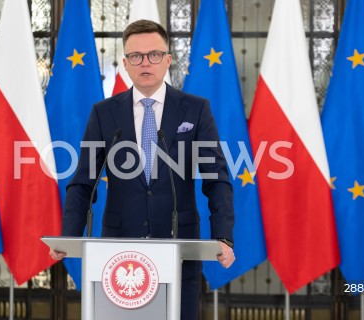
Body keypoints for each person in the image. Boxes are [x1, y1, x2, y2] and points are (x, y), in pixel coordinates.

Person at [50, 19, 235, 320]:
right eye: (135, 56)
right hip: (119, 255)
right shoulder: (103, 113)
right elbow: (83, 182)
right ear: (125, 63)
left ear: (168, 60)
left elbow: (217, 178)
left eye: (154, 55)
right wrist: (68, 238)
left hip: (179, 248)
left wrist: (223, 236)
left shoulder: (195, 109)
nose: (144, 63)